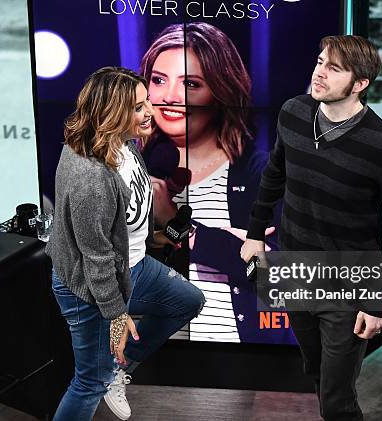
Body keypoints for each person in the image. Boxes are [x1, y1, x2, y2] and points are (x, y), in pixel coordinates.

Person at [240, 35, 382, 420]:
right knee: (318, 374)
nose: (319, 72)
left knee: (337, 400)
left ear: (360, 83)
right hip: (297, 273)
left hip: (348, 286)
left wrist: (375, 302)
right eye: (320, 62)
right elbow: (275, 175)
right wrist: (254, 234)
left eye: (334, 68)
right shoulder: (293, 113)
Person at [45, 66, 205, 421]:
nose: (150, 111)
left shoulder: (123, 145)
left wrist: (158, 234)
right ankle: (106, 374)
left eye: (147, 100)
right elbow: (96, 260)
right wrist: (117, 316)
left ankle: (118, 366)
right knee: (89, 382)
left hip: (132, 268)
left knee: (188, 301)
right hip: (91, 286)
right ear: (111, 113)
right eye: (138, 107)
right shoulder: (90, 176)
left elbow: (129, 211)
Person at [139, 22, 286, 344]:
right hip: (145, 351)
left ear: (221, 91)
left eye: (190, 83)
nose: (169, 97)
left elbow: (277, 279)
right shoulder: (129, 168)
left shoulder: (260, 174)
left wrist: (185, 230)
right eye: (159, 80)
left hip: (235, 357)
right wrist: (230, 246)